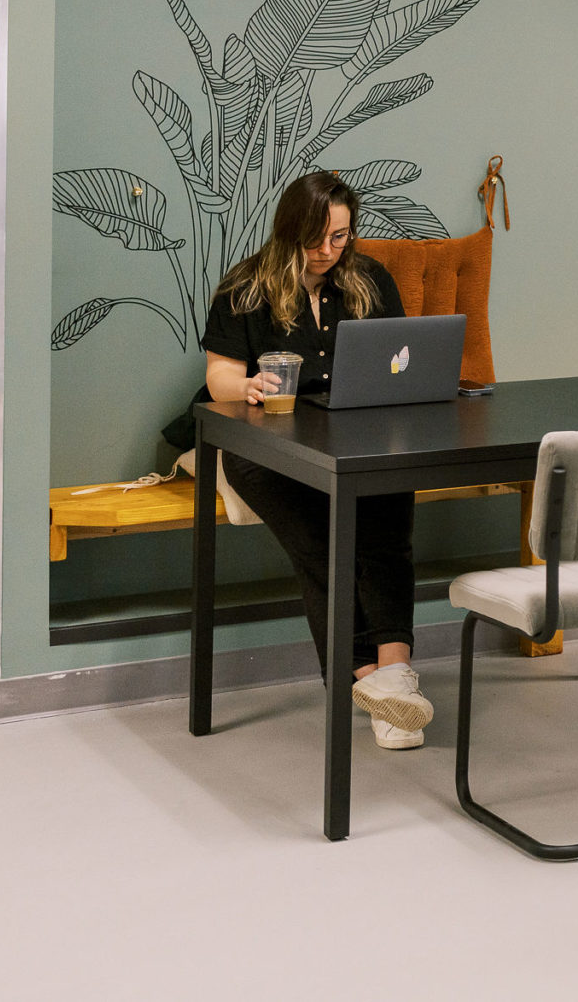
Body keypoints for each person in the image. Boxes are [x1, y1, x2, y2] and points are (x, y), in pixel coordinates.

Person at [200, 170, 432, 750]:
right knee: (327, 538)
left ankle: (391, 668)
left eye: (341, 237)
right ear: (290, 229)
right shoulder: (246, 287)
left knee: (387, 510)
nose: (329, 251)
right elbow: (219, 377)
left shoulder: (369, 279)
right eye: (318, 238)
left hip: (353, 434)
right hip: (265, 441)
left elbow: (398, 359)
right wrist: (246, 386)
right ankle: (377, 682)